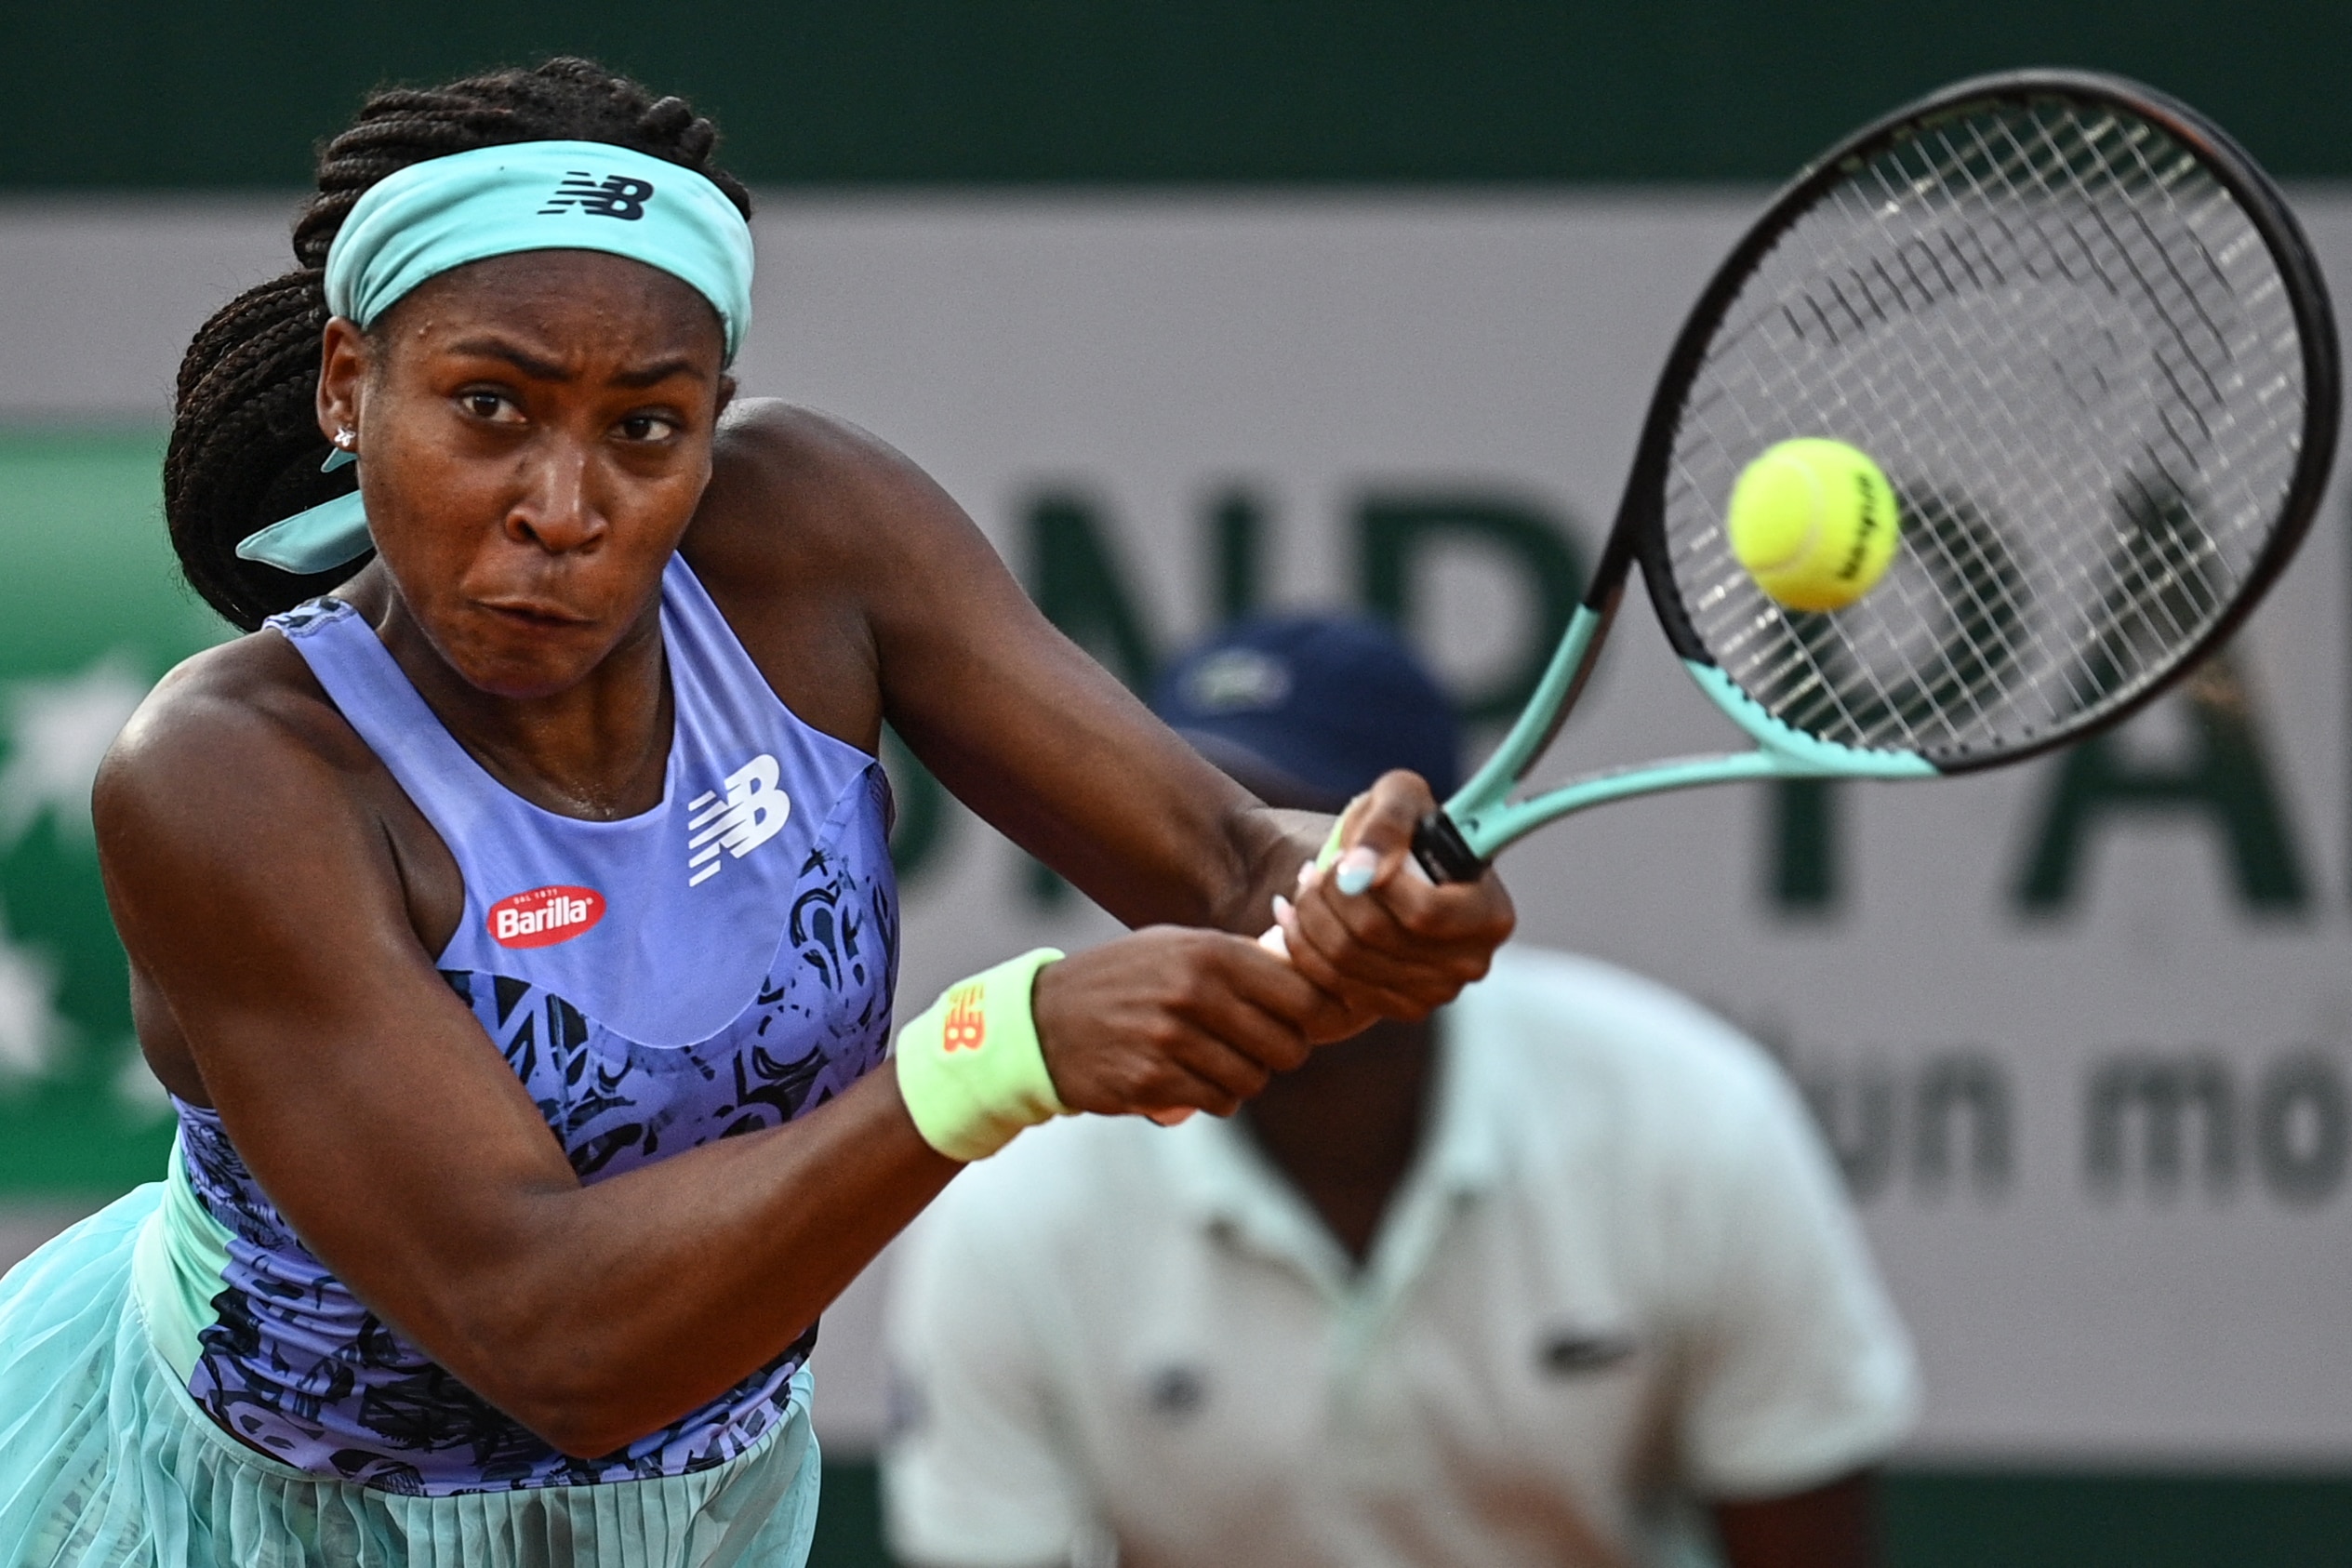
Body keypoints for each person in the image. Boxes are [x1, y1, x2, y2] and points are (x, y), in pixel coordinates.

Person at [0, 61, 1511, 1566]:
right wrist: (998, 1054)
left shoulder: (809, 531)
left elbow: (1218, 859)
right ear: (347, 381)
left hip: (707, 1517)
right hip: (243, 1533)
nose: (565, 507)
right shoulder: (228, 775)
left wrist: (1349, 886)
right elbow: (552, 1340)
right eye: (488, 407)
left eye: (645, 429)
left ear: (714, 423)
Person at [882, 616, 1920, 1568]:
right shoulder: (1013, 1209)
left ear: (1436, 871)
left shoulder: (1694, 1117)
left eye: (1302, 844)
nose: (1246, 900)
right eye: (1191, 851)